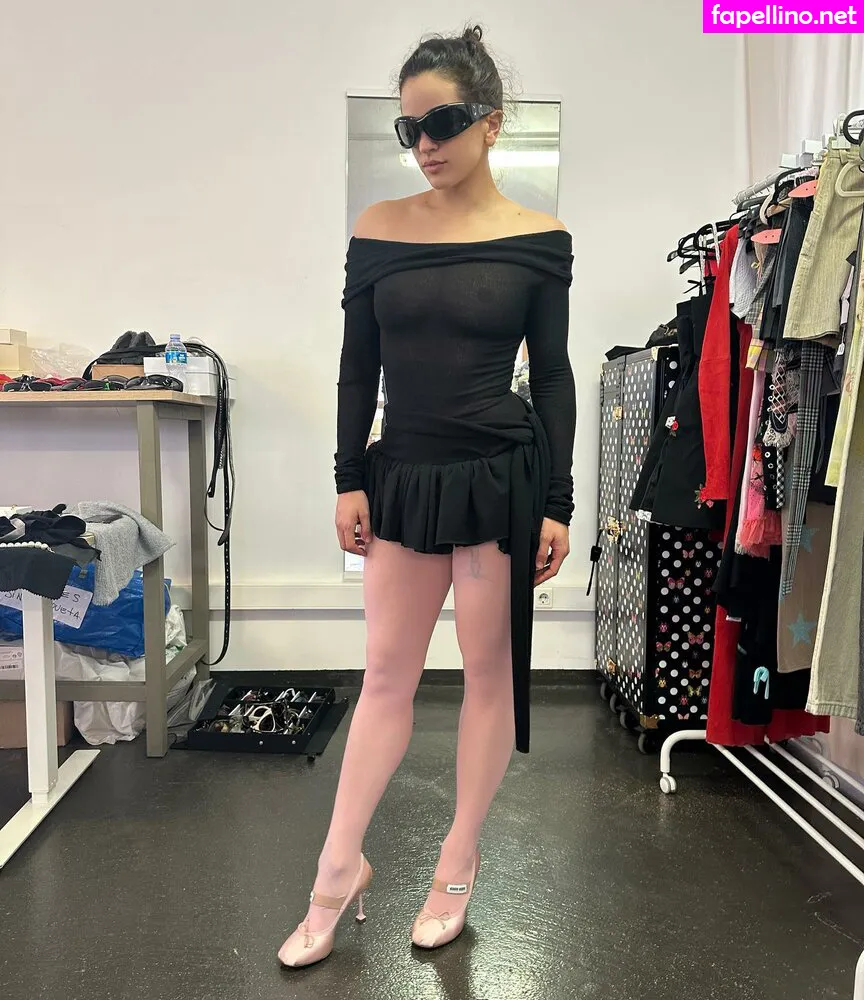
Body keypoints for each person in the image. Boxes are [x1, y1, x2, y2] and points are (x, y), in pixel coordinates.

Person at [279, 24, 576, 967]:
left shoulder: (539, 241)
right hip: (403, 473)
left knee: (487, 674)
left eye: (442, 122)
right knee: (385, 676)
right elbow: (356, 366)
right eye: (410, 129)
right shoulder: (378, 227)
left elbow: (554, 375)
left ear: (492, 120)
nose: (425, 144)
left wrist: (559, 500)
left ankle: (458, 860)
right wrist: (347, 475)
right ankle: (338, 868)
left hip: (500, 480)